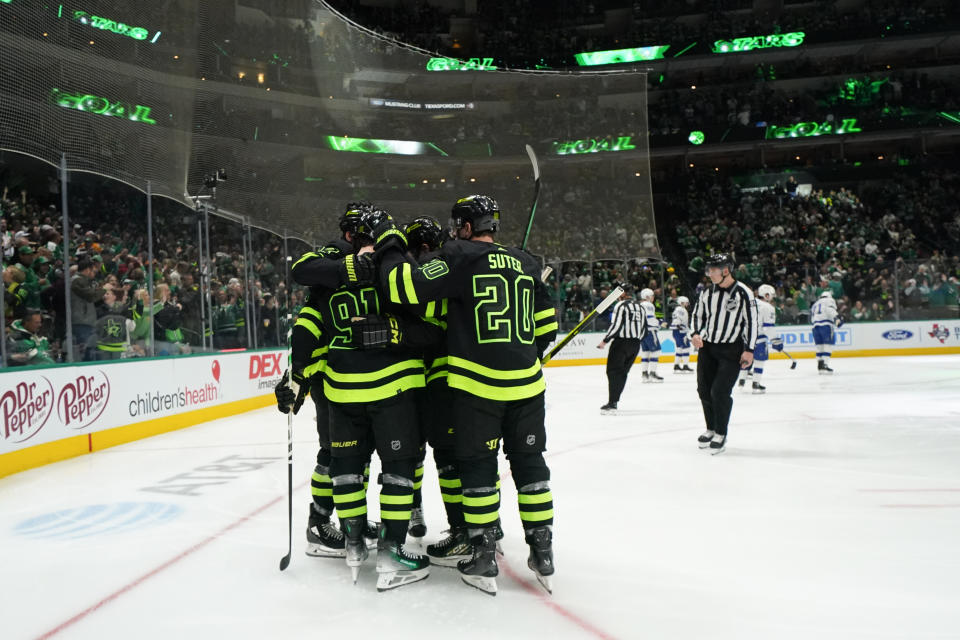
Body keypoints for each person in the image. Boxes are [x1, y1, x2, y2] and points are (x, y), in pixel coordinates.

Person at [368, 195, 558, 595]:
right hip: (528, 384)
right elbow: (546, 329)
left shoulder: (458, 255)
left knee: (477, 468)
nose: (453, 233)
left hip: (477, 386)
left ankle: (483, 553)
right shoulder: (526, 262)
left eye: (457, 226)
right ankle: (543, 550)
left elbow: (404, 288)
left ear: (468, 228)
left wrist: (388, 242)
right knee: (530, 465)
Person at [315, 218, 440, 592]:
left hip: (342, 389)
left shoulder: (331, 273)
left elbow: (309, 319)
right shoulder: (395, 271)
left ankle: (354, 544)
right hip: (393, 389)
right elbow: (432, 331)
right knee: (398, 469)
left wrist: (301, 371)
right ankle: (392, 550)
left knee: (346, 467)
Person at [690, 253, 758, 455]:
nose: (709, 273)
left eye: (712, 269)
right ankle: (711, 428)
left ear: (725, 270)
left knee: (719, 392)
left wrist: (749, 350)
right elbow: (697, 315)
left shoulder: (743, 293)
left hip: (731, 350)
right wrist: (694, 333)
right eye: (708, 269)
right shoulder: (706, 292)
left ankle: (721, 432)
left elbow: (752, 322)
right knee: (704, 390)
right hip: (708, 348)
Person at [597, 285, 644, 414]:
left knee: (613, 372)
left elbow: (616, 325)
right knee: (622, 373)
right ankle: (614, 401)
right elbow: (644, 327)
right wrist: (637, 341)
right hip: (635, 344)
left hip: (621, 343)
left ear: (623, 294)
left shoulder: (621, 306)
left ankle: (612, 402)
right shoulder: (640, 306)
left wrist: (605, 340)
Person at [738, 284, 777, 393]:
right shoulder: (768, 307)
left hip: (746, 338)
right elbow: (768, 328)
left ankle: (741, 381)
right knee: (759, 361)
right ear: (767, 295)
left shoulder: (748, 303)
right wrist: (775, 340)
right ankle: (756, 383)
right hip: (759, 338)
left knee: (746, 359)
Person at [811, 290, 840, 374]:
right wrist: (837, 318)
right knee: (828, 345)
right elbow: (830, 310)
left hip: (815, 326)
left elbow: (812, 316)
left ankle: (820, 365)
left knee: (819, 346)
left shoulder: (815, 304)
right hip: (826, 325)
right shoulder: (829, 300)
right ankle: (825, 364)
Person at [638, 287, 663, 382]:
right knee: (656, 351)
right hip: (650, 331)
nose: (653, 298)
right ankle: (652, 373)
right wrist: (659, 323)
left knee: (645, 352)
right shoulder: (649, 305)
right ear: (647, 296)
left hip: (642, 332)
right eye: (652, 296)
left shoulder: (640, 305)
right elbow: (650, 319)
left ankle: (644, 375)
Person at [671, 296, 694, 373]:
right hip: (680, 331)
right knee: (686, 347)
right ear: (682, 303)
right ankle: (685, 365)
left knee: (679, 348)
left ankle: (676, 365)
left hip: (676, 331)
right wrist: (680, 326)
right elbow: (678, 319)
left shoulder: (677, 309)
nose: (687, 304)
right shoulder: (681, 310)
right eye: (686, 302)